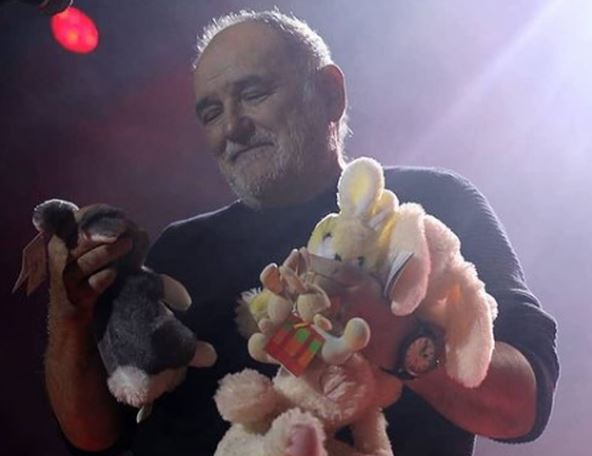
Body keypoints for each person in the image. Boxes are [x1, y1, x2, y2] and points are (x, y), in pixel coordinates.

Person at [44, 10, 558, 456]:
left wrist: (394, 337)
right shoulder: (180, 247)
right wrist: (70, 316)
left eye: (252, 93)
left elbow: (523, 406)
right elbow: (97, 438)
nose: (232, 127)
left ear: (330, 94)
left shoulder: (426, 205)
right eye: (211, 112)